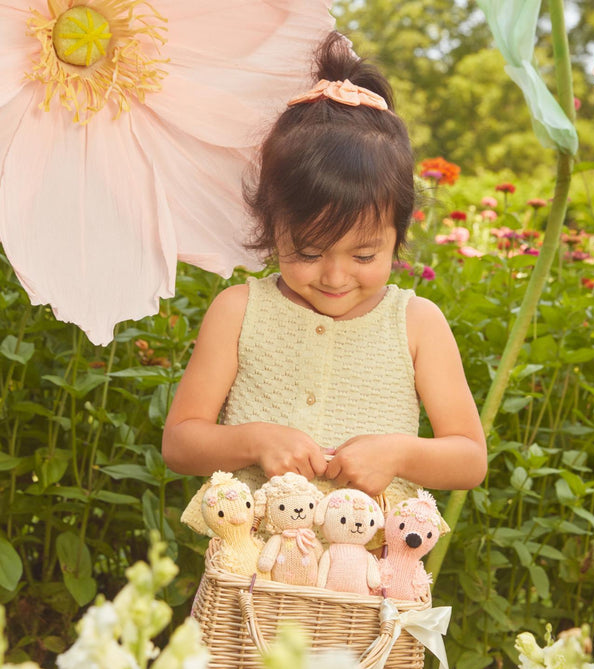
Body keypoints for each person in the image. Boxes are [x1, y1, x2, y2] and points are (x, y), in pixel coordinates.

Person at [162, 31, 487, 514]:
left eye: (362, 257)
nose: (335, 277)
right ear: (273, 227)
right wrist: (255, 441)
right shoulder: (239, 310)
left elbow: (469, 459)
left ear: (398, 236)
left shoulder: (416, 323)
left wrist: (399, 452)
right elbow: (180, 444)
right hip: (250, 561)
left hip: (370, 568)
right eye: (309, 253)